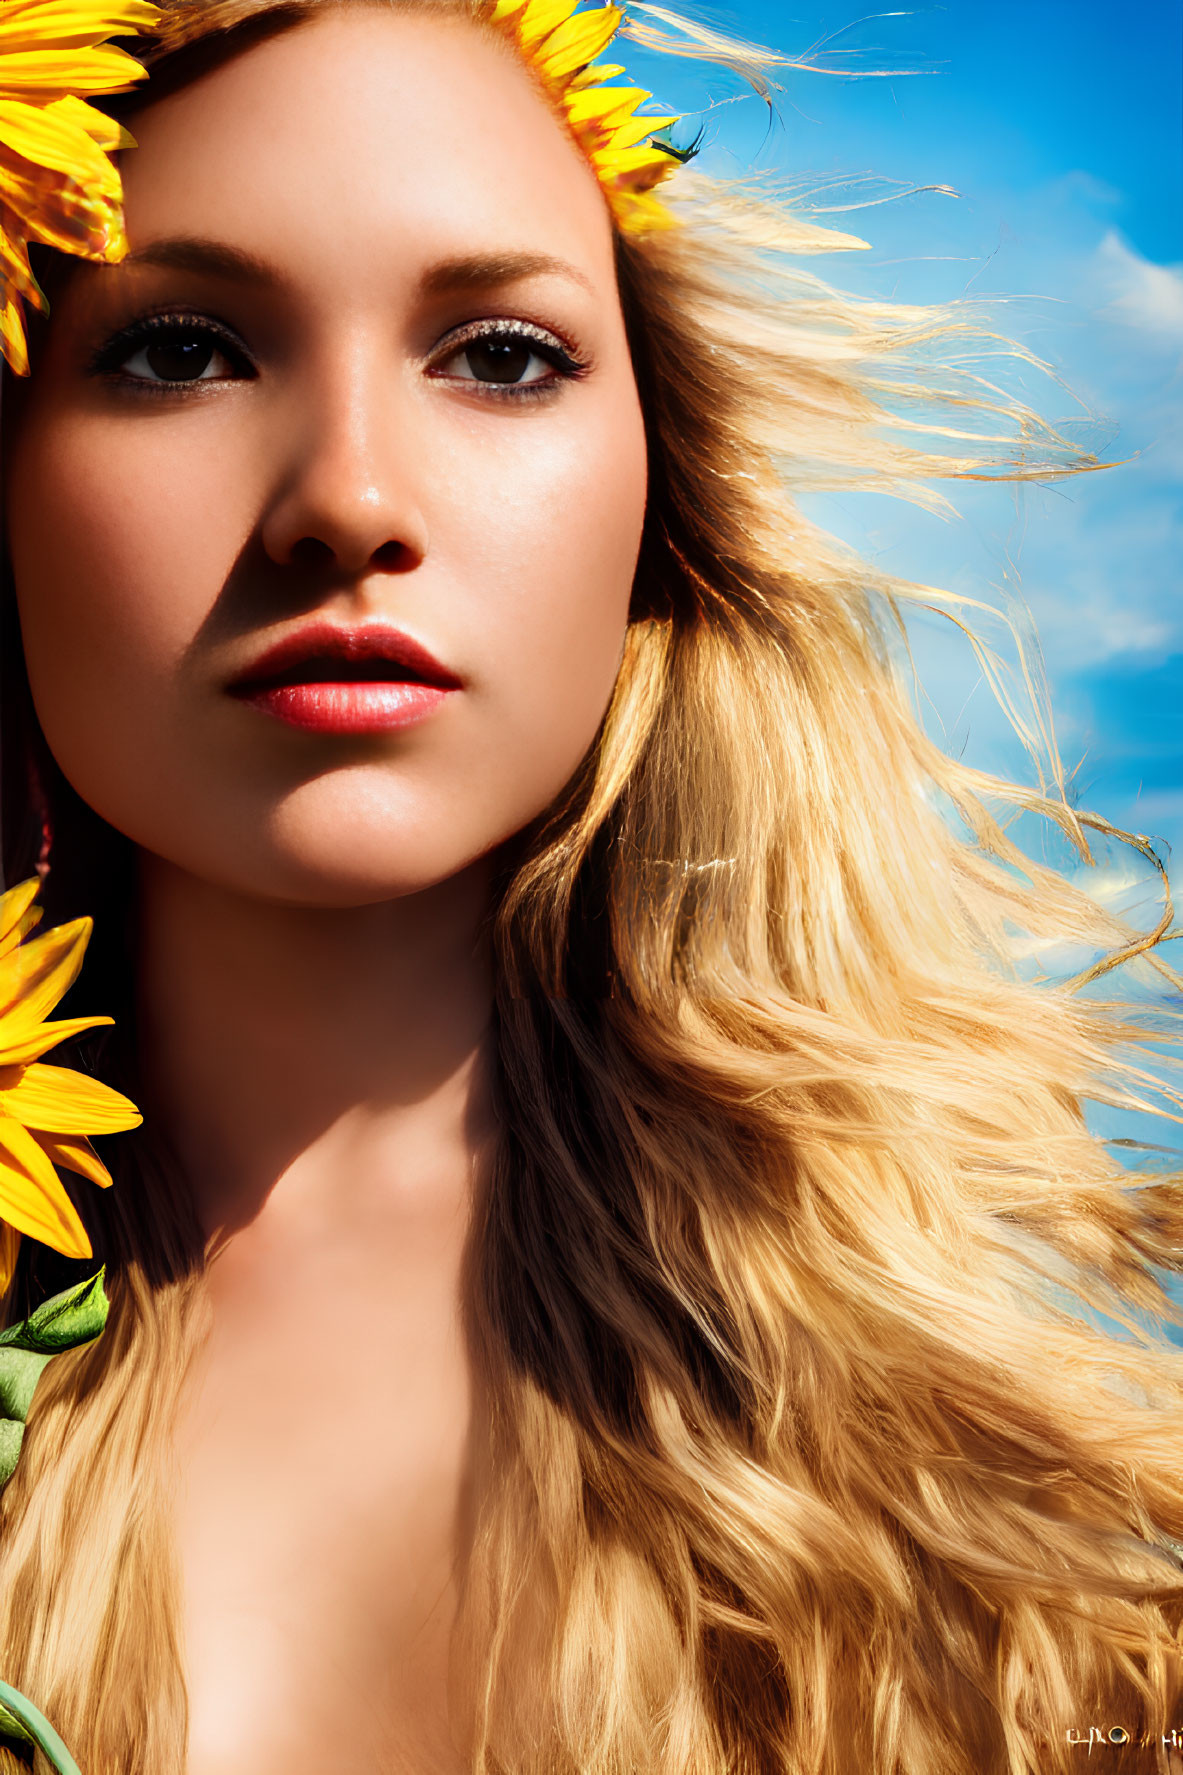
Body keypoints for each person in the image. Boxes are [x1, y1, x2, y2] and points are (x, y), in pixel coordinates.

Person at [0, 0, 1179, 1771]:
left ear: (657, 494)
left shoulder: (1025, 1510)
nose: (350, 499)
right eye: (179, 351)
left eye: (496, 352)